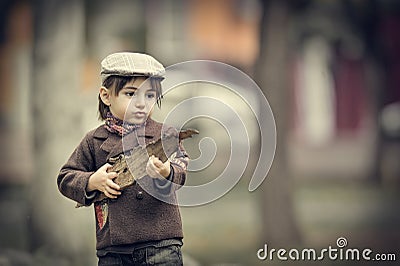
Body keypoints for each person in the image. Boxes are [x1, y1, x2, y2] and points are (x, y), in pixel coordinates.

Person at [57, 52, 189, 266]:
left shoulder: (165, 135)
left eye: (149, 96)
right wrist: (92, 181)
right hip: (113, 250)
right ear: (106, 95)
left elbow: (182, 167)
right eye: (130, 94)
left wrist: (166, 171)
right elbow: (65, 177)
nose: (141, 104)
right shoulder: (94, 140)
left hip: (160, 244)